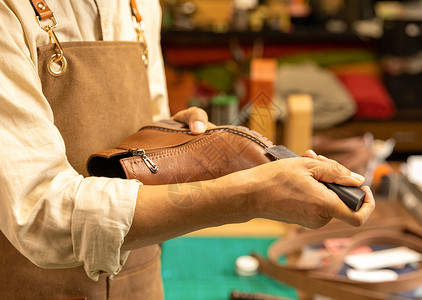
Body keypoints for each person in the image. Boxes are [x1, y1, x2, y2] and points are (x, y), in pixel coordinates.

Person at [0, 0, 375, 299]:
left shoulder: (141, 5)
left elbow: (142, 139)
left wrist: (175, 139)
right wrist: (249, 196)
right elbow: (41, 214)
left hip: (142, 284)